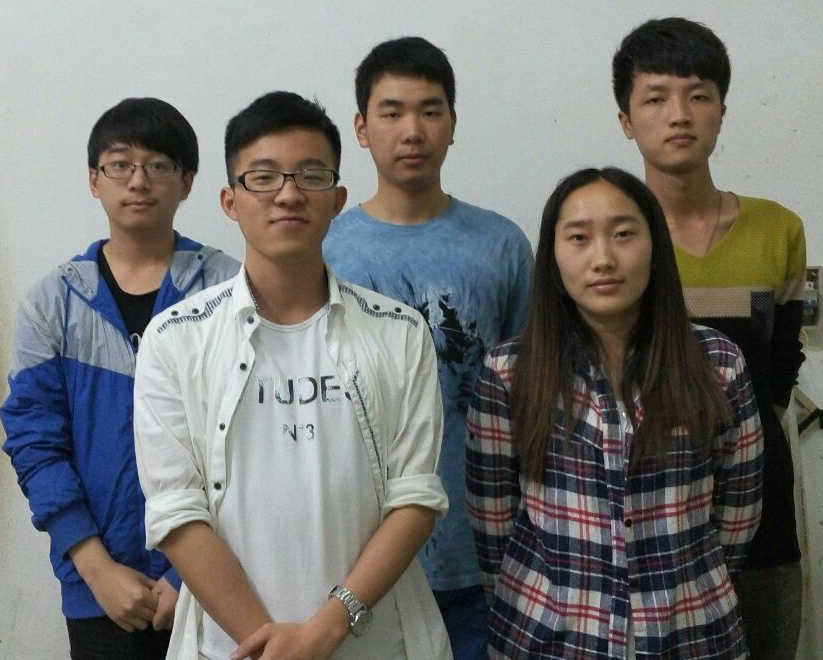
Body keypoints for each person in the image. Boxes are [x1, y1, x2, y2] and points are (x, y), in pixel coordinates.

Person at [133, 91, 452, 660]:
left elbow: (416, 498)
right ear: (229, 201)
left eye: (311, 175)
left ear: (338, 200)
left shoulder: (400, 332)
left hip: (379, 645)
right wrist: (273, 648)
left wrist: (326, 629)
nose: (288, 193)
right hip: (231, 648)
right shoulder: (174, 339)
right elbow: (176, 511)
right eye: (263, 177)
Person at [467, 167, 763, 659]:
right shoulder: (509, 372)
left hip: (691, 635)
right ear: (553, 254)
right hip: (546, 638)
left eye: (623, 234)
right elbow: (493, 525)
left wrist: (687, 590)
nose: (603, 258)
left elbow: (738, 517)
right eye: (579, 238)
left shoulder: (718, 363)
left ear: (655, 245)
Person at [0, 97, 239, 660]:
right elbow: (34, 441)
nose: (138, 180)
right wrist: (95, 566)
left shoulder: (228, 289)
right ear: (94, 180)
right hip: (99, 589)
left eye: (158, 165)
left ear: (187, 181)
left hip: (218, 581)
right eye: (120, 165)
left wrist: (191, 574)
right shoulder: (52, 302)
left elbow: (249, 438)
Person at [323, 36, 534, 658]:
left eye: (430, 111)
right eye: (391, 112)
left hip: (484, 552)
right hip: (355, 557)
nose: (412, 130)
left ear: (453, 124)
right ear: (361, 128)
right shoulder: (325, 248)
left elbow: (533, 395)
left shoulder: (501, 244)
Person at [612, 18, 807, 658]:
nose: (679, 115)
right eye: (656, 98)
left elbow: (780, 368)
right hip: (646, 525)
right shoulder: (605, 240)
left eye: (698, 95)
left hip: (763, 511)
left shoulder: (778, 229)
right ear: (625, 119)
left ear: (722, 110)